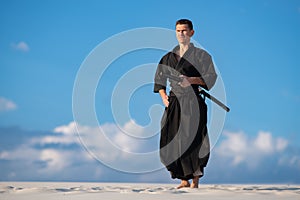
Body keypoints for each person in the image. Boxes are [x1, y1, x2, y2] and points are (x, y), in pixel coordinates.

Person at [154, 19, 217, 189]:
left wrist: (191, 80)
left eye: (184, 31)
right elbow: (159, 79)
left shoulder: (202, 56)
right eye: (178, 31)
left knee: (194, 138)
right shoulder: (168, 57)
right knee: (172, 138)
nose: (181, 34)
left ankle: (195, 179)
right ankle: (183, 179)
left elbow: (211, 78)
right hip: (174, 102)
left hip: (193, 102)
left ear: (191, 33)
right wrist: (163, 96)